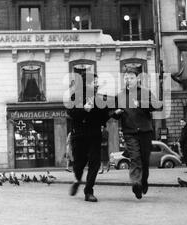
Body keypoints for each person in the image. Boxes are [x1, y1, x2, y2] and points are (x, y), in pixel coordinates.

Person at [112, 67, 161, 200]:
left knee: (145, 160)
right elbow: (112, 113)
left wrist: (141, 103)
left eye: (131, 77)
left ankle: (143, 181)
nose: (129, 80)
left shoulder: (145, 92)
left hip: (145, 131)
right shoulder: (120, 95)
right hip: (129, 132)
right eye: (126, 78)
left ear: (137, 78)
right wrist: (116, 113)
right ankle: (136, 183)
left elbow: (158, 105)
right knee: (135, 158)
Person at [67, 72, 111, 203]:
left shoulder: (99, 99)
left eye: (97, 82)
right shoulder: (75, 96)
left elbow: (104, 116)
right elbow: (70, 113)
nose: (97, 84)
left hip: (94, 136)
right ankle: (77, 179)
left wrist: (113, 114)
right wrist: (83, 110)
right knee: (79, 163)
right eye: (94, 82)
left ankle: (89, 191)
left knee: (95, 163)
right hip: (79, 135)